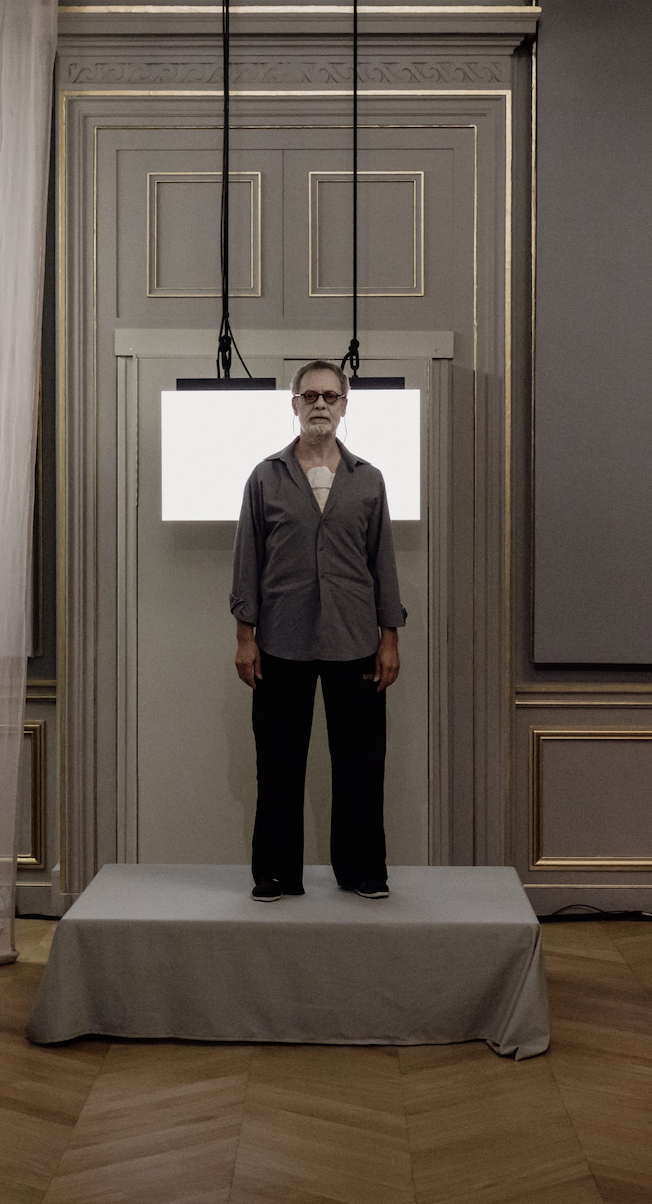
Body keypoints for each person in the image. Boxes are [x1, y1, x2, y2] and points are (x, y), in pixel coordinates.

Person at [230, 360, 405, 902]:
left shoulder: (368, 479)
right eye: (310, 396)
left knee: (360, 765)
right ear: (295, 404)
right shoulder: (265, 477)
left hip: (356, 642)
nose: (321, 404)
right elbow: (247, 560)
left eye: (331, 395)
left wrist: (390, 637)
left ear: (345, 405)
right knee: (278, 765)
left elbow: (383, 562)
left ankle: (362, 872)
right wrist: (244, 636)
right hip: (281, 642)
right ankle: (275, 873)